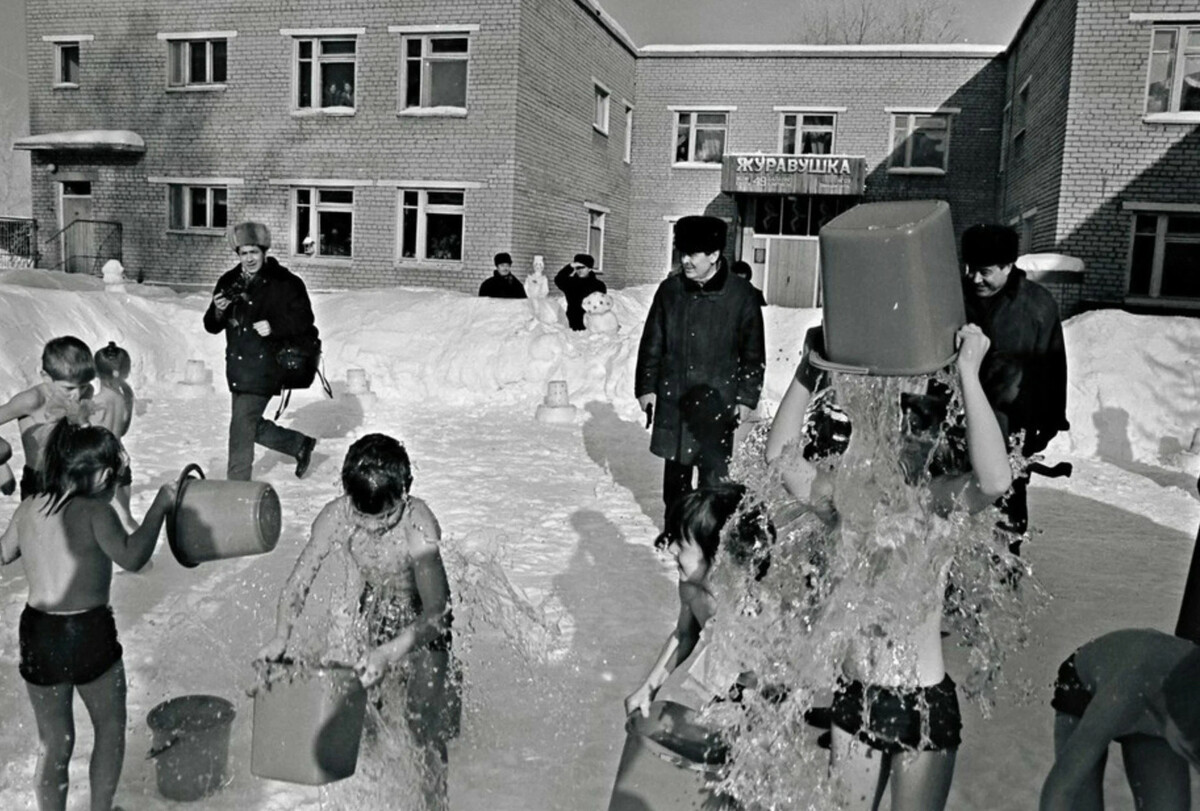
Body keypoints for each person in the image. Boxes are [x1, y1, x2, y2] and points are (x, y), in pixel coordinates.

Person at [769, 326, 1012, 811]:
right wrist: (806, 371)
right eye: (879, 434)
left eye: (907, 437)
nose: (888, 447)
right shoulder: (846, 501)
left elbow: (995, 479)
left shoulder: (936, 505)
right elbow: (781, 459)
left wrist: (968, 372)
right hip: (854, 694)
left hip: (921, 703)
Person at [259, 433, 458, 809]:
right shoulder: (336, 517)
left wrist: (390, 652)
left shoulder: (418, 525)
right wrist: (281, 635)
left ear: (406, 492)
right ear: (347, 495)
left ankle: (435, 803)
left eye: (385, 518)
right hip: (378, 616)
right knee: (370, 715)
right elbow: (297, 585)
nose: (372, 529)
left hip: (424, 623)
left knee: (421, 727)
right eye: (362, 517)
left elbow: (438, 612)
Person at [0, 420, 175, 811]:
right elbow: (132, 556)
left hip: (38, 632)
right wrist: (160, 509)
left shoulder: (29, 508)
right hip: (87, 631)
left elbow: (3, 553)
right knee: (109, 728)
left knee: (54, 742)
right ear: (98, 474)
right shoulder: (97, 512)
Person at [635, 215, 766, 511]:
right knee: (676, 480)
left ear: (714, 255)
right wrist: (646, 388)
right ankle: (676, 534)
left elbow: (753, 354)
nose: (685, 261)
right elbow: (652, 343)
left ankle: (706, 540)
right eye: (683, 253)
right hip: (676, 396)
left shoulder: (741, 296)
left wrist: (746, 397)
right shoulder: (670, 291)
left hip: (717, 401)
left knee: (714, 480)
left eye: (693, 254)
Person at [961, 223, 1068, 550]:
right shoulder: (953, 296)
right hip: (956, 428)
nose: (974, 278)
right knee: (953, 518)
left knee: (1005, 527)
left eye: (984, 271)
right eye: (968, 268)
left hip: (1010, 431)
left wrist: (1045, 426)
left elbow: (1053, 369)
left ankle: (1003, 587)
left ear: (1009, 266)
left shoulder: (1037, 306)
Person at [624, 483, 765, 718]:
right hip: (735, 682)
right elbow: (684, 634)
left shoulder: (745, 596)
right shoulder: (690, 587)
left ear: (718, 553)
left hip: (766, 688)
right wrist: (648, 689)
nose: (670, 549)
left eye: (681, 543)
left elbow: (765, 669)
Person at [203, 221, 318, 481]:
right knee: (246, 425)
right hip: (238, 368)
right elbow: (211, 326)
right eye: (244, 253)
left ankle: (237, 487)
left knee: (240, 430)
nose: (249, 258)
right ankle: (297, 444)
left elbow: (305, 321)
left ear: (264, 251)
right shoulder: (229, 281)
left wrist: (275, 326)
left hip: (267, 366)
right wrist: (218, 309)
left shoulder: (285, 283)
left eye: (254, 252)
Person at [1040, 628, 1200, 810]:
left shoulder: (1184, 713)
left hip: (1160, 688)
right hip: (1087, 687)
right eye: (1189, 755)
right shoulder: (1122, 698)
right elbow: (1062, 787)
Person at [0, 335, 96, 501]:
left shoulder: (87, 392)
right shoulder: (32, 400)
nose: (77, 394)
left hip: (74, 476)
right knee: (36, 527)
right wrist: (2, 459)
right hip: (39, 481)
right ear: (46, 377)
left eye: (83, 386)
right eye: (69, 388)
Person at [90, 342, 136, 522]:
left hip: (100, 463)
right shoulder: (125, 397)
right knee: (125, 517)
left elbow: (89, 435)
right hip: (121, 459)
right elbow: (122, 431)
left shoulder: (96, 403)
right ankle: (135, 545)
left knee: (96, 519)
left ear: (96, 371)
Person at [554, 253, 606, 331]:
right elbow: (558, 279)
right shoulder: (570, 283)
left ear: (590, 268)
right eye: (577, 267)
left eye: (582, 267)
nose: (579, 270)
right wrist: (570, 266)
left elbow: (602, 307)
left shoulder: (599, 285)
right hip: (571, 326)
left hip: (591, 328)